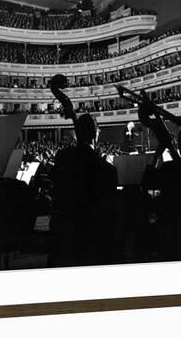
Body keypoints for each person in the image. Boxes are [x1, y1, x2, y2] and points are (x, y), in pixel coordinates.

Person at [48, 114, 118, 267]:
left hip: (63, 234)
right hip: (91, 239)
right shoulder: (107, 170)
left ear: (76, 133)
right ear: (96, 134)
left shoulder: (62, 157)